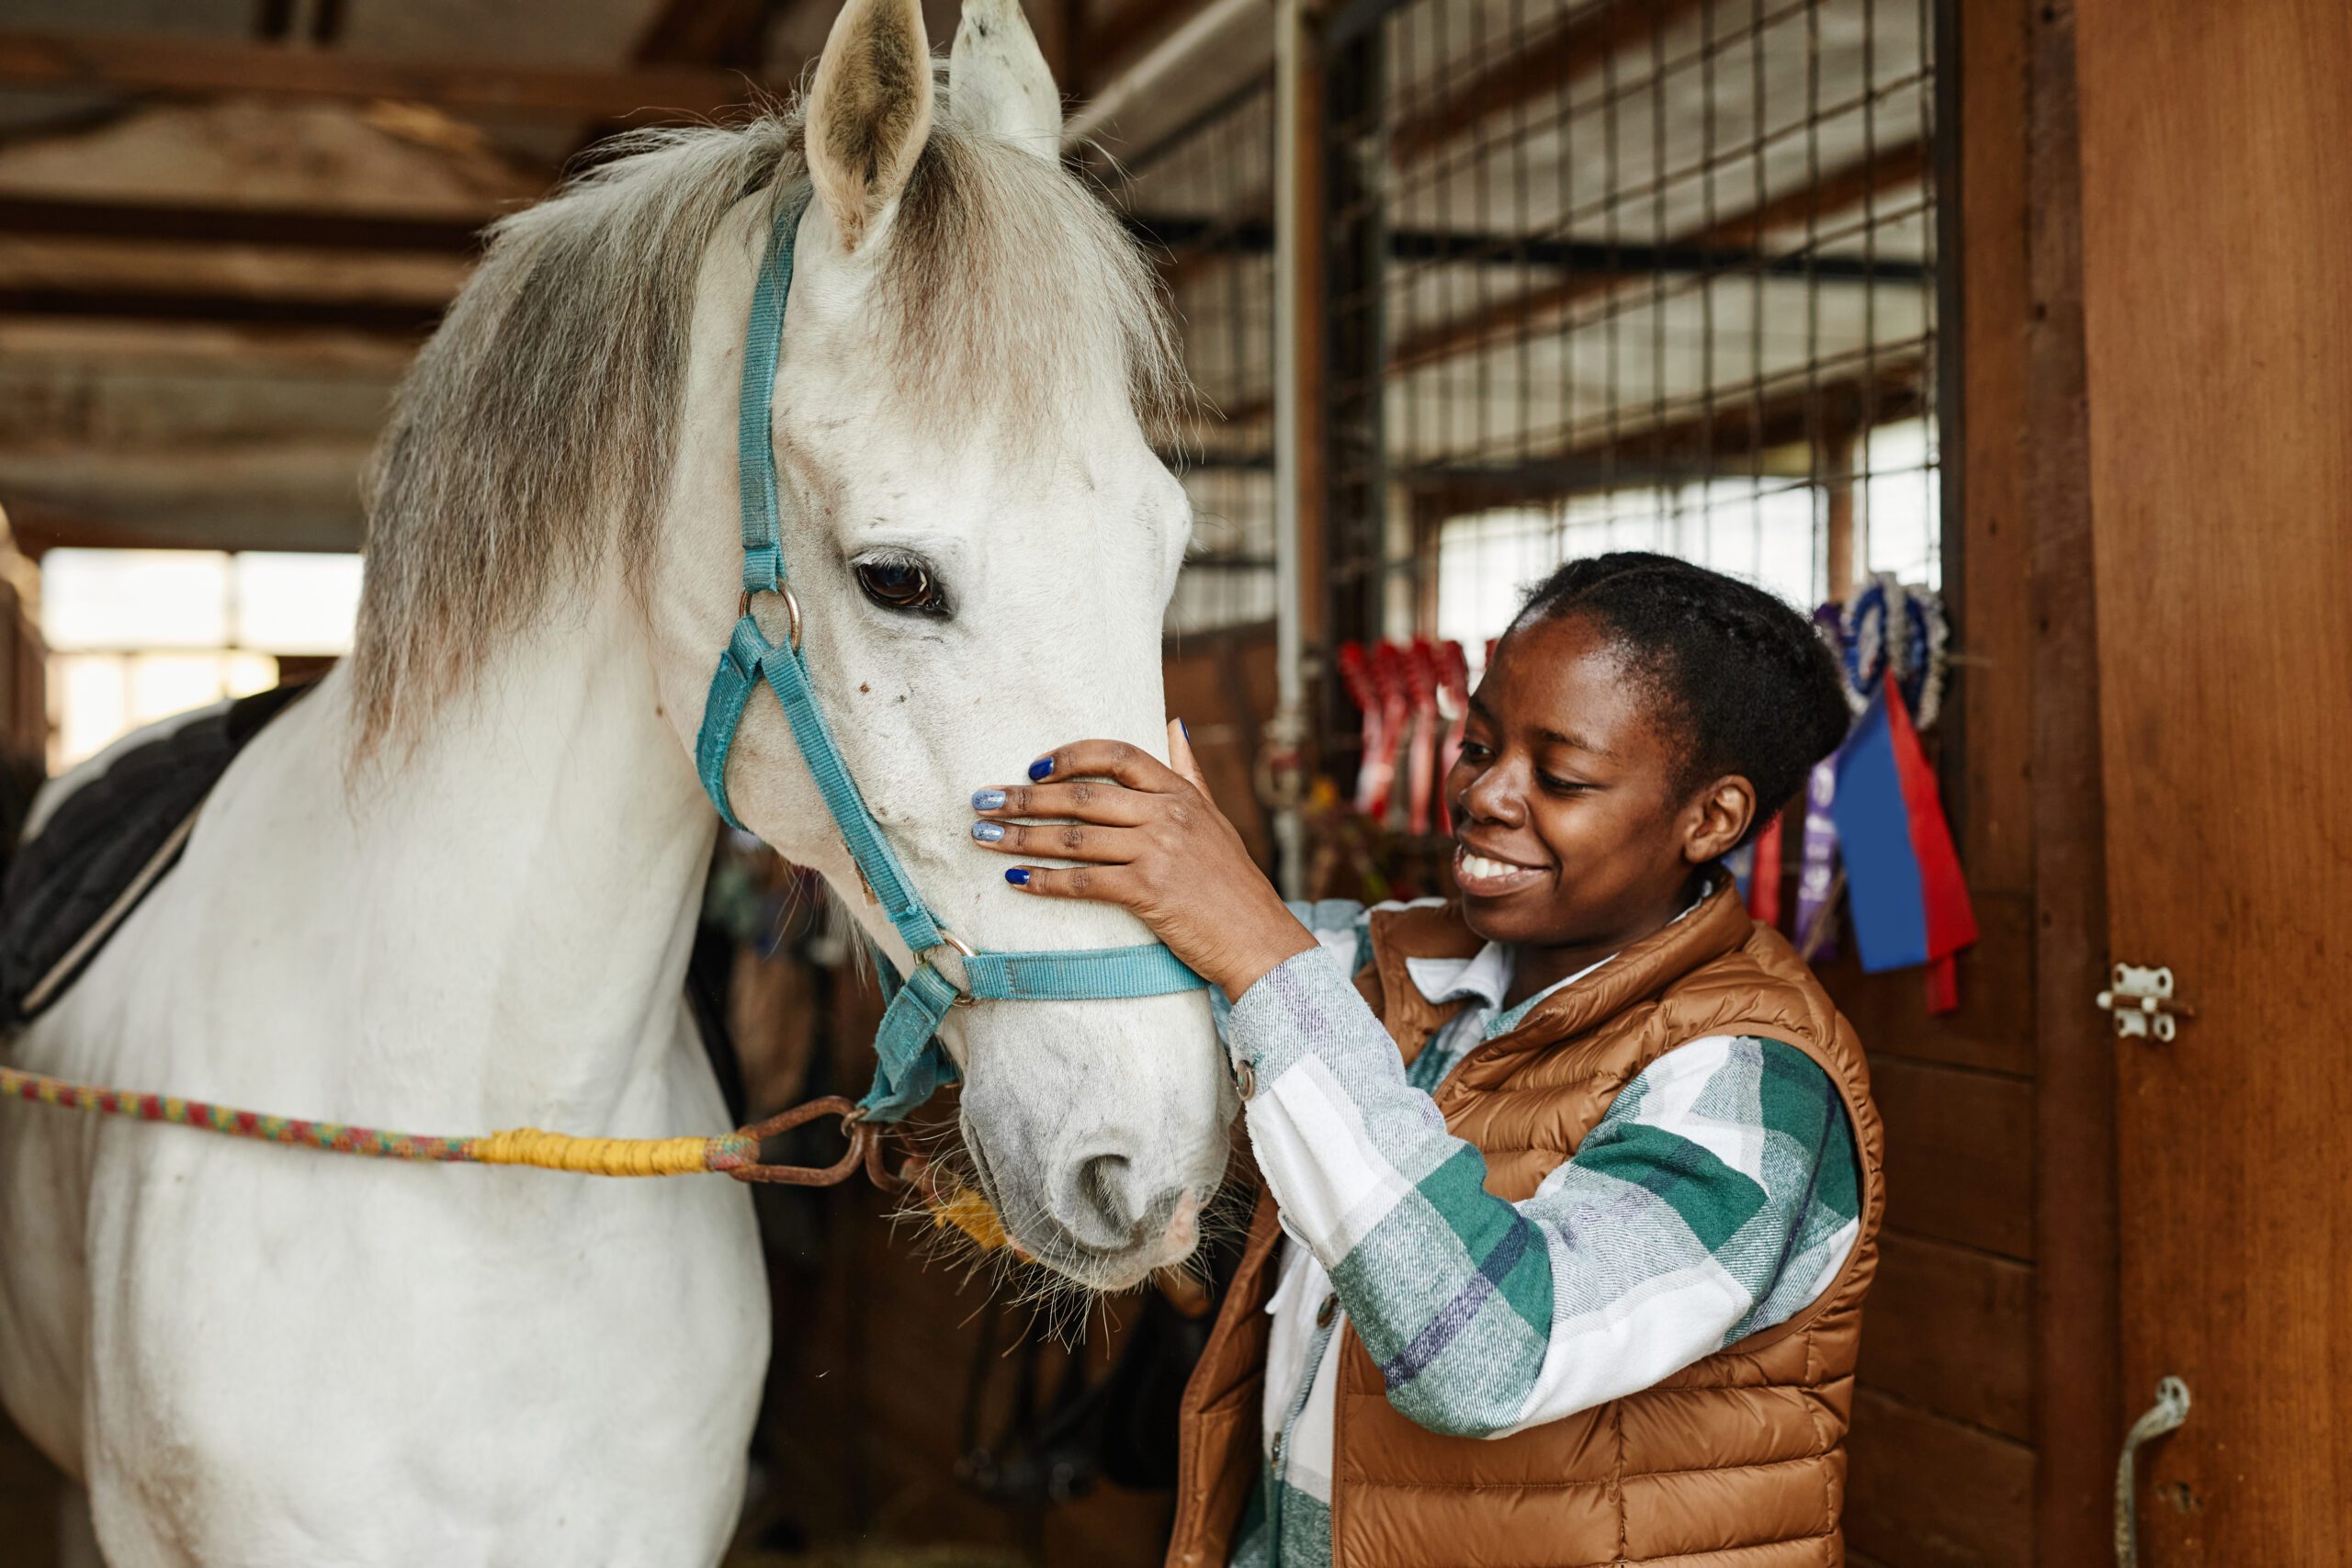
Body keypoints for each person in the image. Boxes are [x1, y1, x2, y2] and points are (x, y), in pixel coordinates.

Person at [967, 551, 1882, 1567]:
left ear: (1709, 820)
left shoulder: (1753, 1083)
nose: (1487, 794)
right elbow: (1141, 986)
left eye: (1562, 776)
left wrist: (1253, 943)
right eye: (1477, 744)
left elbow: (1489, 1361)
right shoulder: (1391, 964)